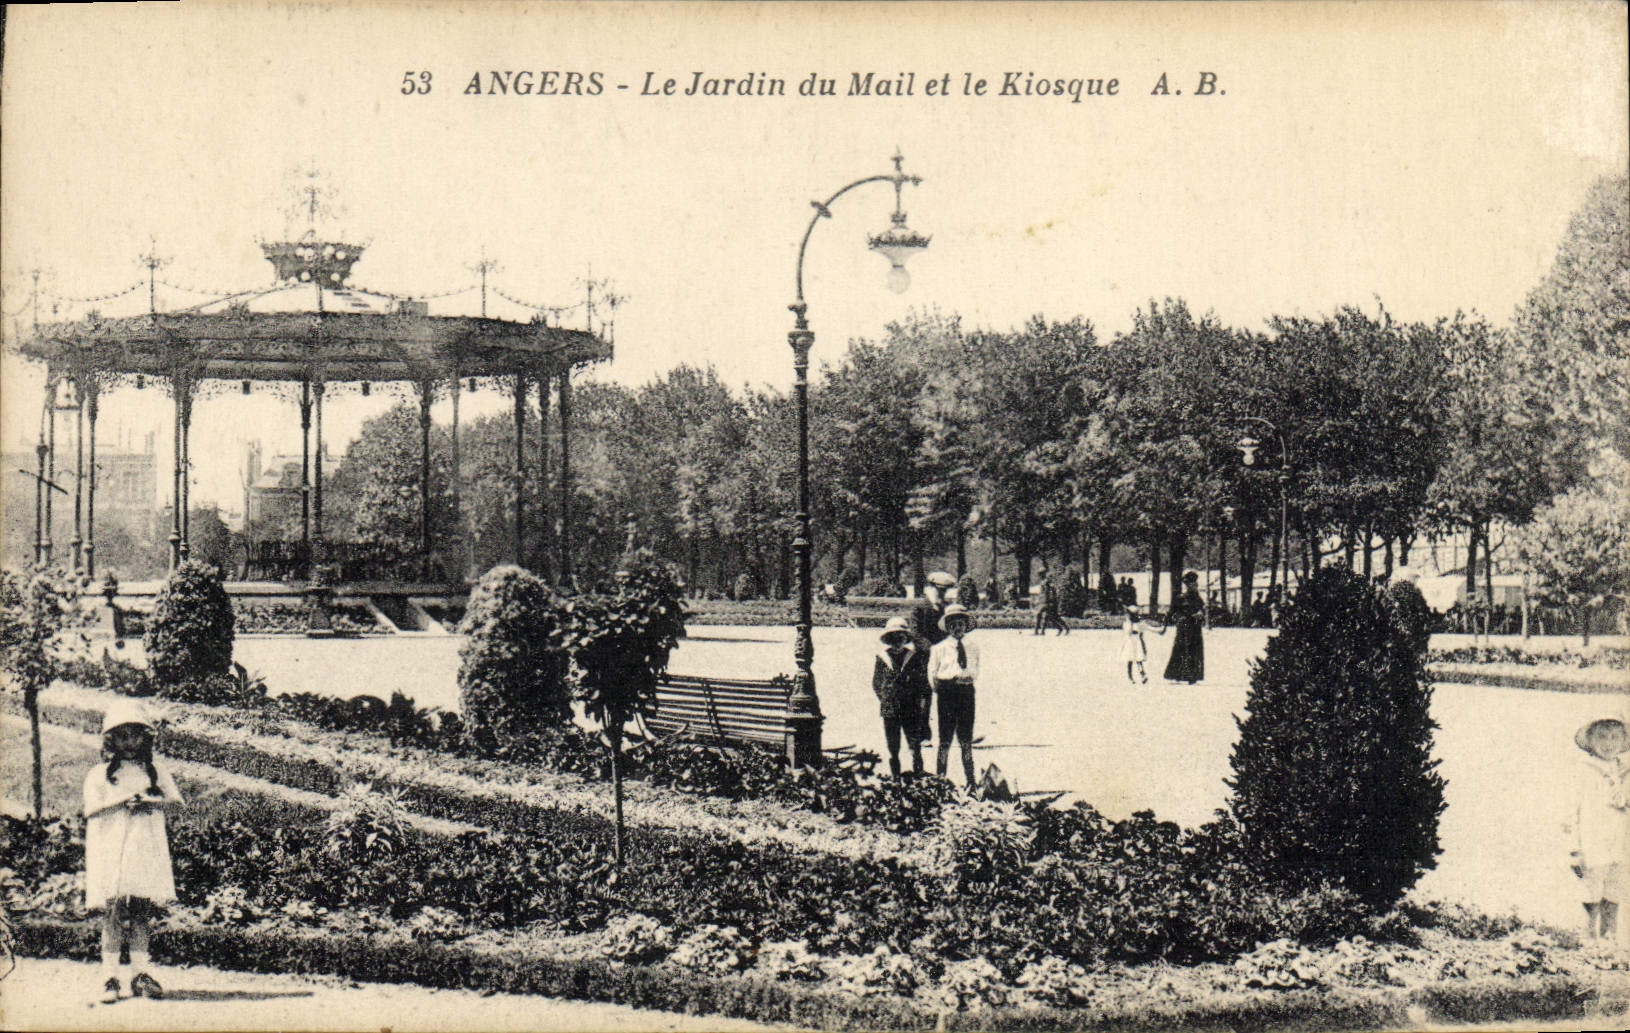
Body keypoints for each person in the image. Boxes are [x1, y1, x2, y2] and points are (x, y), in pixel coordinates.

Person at [83, 699, 184, 1003]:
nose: (129, 742)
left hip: (143, 848)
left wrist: (150, 802)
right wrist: (120, 802)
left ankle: (140, 973)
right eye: (122, 736)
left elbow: (176, 803)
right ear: (111, 739)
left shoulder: (154, 772)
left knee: (141, 911)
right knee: (114, 912)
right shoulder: (99, 774)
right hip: (112, 848)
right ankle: (110, 978)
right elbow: (90, 810)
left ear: (145, 738)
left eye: (135, 735)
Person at [1567, 716, 1630, 943]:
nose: (1608, 743)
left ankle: (1609, 936)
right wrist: (1573, 846)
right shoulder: (1583, 770)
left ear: (1623, 741)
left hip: (1620, 840)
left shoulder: (1625, 770)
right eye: (1601, 737)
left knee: (1615, 888)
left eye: (1615, 737)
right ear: (1590, 741)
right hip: (1592, 838)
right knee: (1591, 888)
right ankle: (1589, 936)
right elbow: (1571, 808)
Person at [872, 616, 932, 777]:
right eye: (893, 637)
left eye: (900, 637)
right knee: (893, 744)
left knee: (914, 743)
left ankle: (918, 774)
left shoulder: (913, 657)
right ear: (888, 639)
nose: (897, 641)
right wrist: (887, 698)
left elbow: (922, 681)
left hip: (910, 707)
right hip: (890, 709)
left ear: (906, 638)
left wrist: (916, 700)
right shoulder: (882, 658)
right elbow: (876, 684)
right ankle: (895, 776)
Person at [928, 604, 980, 788]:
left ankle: (971, 781)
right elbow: (932, 676)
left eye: (961, 624)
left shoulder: (973, 647)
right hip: (947, 694)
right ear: (948, 627)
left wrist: (964, 681)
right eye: (953, 625)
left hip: (966, 693)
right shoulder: (939, 648)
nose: (958, 628)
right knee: (945, 739)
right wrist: (946, 689)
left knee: (966, 739)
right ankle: (940, 779)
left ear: (966, 626)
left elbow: (975, 670)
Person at [1163, 570, 1205, 684]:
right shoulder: (1180, 598)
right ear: (1187, 585)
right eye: (1191, 584)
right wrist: (1179, 618)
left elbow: (1203, 609)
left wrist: (1201, 614)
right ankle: (1177, 675)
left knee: (1194, 651)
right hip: (1184, 628)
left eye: (1195, 584)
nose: (1194, 586)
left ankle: (1192, 676)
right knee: (1181, 650)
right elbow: (1173, 613)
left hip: (1195, 628)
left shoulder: (1198, 598)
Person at [1119, 605, 1165, 683]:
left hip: (1137, 641)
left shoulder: (1140, 623)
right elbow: (1127, 632)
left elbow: (1150, 628)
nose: (1135, 616)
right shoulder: (1127, 623)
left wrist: (1160, 630)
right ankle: (1130, 677)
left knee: (1139, 658)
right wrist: (1130, 623)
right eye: (1133, 614)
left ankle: (1143, 675)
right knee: (1130, 659)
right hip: (1130, 642)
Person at [1033, 567, 1069, 636]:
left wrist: (1052, 601)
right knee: (1043, 615)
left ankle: (1063, 628)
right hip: (1043, 602)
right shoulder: (1043, 582)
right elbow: (1042, 593)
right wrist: (1038, 600)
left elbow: (1051, 592)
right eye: (1040, 574)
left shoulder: (1047, 582)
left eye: (1041, 574)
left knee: (1051, 617)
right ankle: (1038, 631)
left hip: (1048, 602)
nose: (1040, 576)